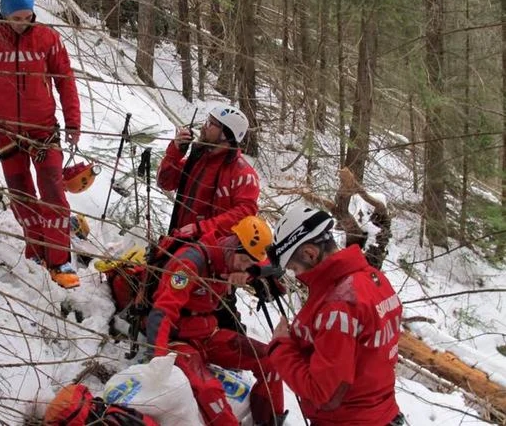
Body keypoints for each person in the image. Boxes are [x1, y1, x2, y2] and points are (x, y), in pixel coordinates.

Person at [0, 0, 81, 288]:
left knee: (53, 194)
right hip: (7, 134)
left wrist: (73, 122)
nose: (23, 22)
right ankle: (35, 251)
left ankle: (60, 259)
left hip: (44, 131)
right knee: (21, 197)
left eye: (27, 16)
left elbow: (65, 81)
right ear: (4, 13)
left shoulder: (47, 38)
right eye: (16, 17)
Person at [267, 206, 404, 426]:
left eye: (294, 267)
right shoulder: (373, 279)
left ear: (310, 253)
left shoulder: (338, 305)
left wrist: (280, 347)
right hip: (382, 413)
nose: (298, 276)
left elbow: (323, 393)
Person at [145, 216, 287, 426]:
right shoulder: (191, 263)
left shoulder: (238, 259)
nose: (245, 267)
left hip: (209, 333)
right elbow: (162, 312)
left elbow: (272, 266)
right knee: (209, 390)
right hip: (180, 340)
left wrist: (252, 272)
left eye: (251, 263)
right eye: (244, 261)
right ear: (233, 245)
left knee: (272, 360)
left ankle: (269, 421)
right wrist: (157, 361)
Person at [156, 104, 260, 333]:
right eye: (207, 121)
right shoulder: (199, 158)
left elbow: (246, 213)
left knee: (217, 315)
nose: (204, 127)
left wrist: (202, 228)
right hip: (180, 246)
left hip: (213, 261)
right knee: (167, 298)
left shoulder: (242, 174)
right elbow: (165, 182)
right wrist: (175, 151)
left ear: (226, 135)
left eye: (211, 124)